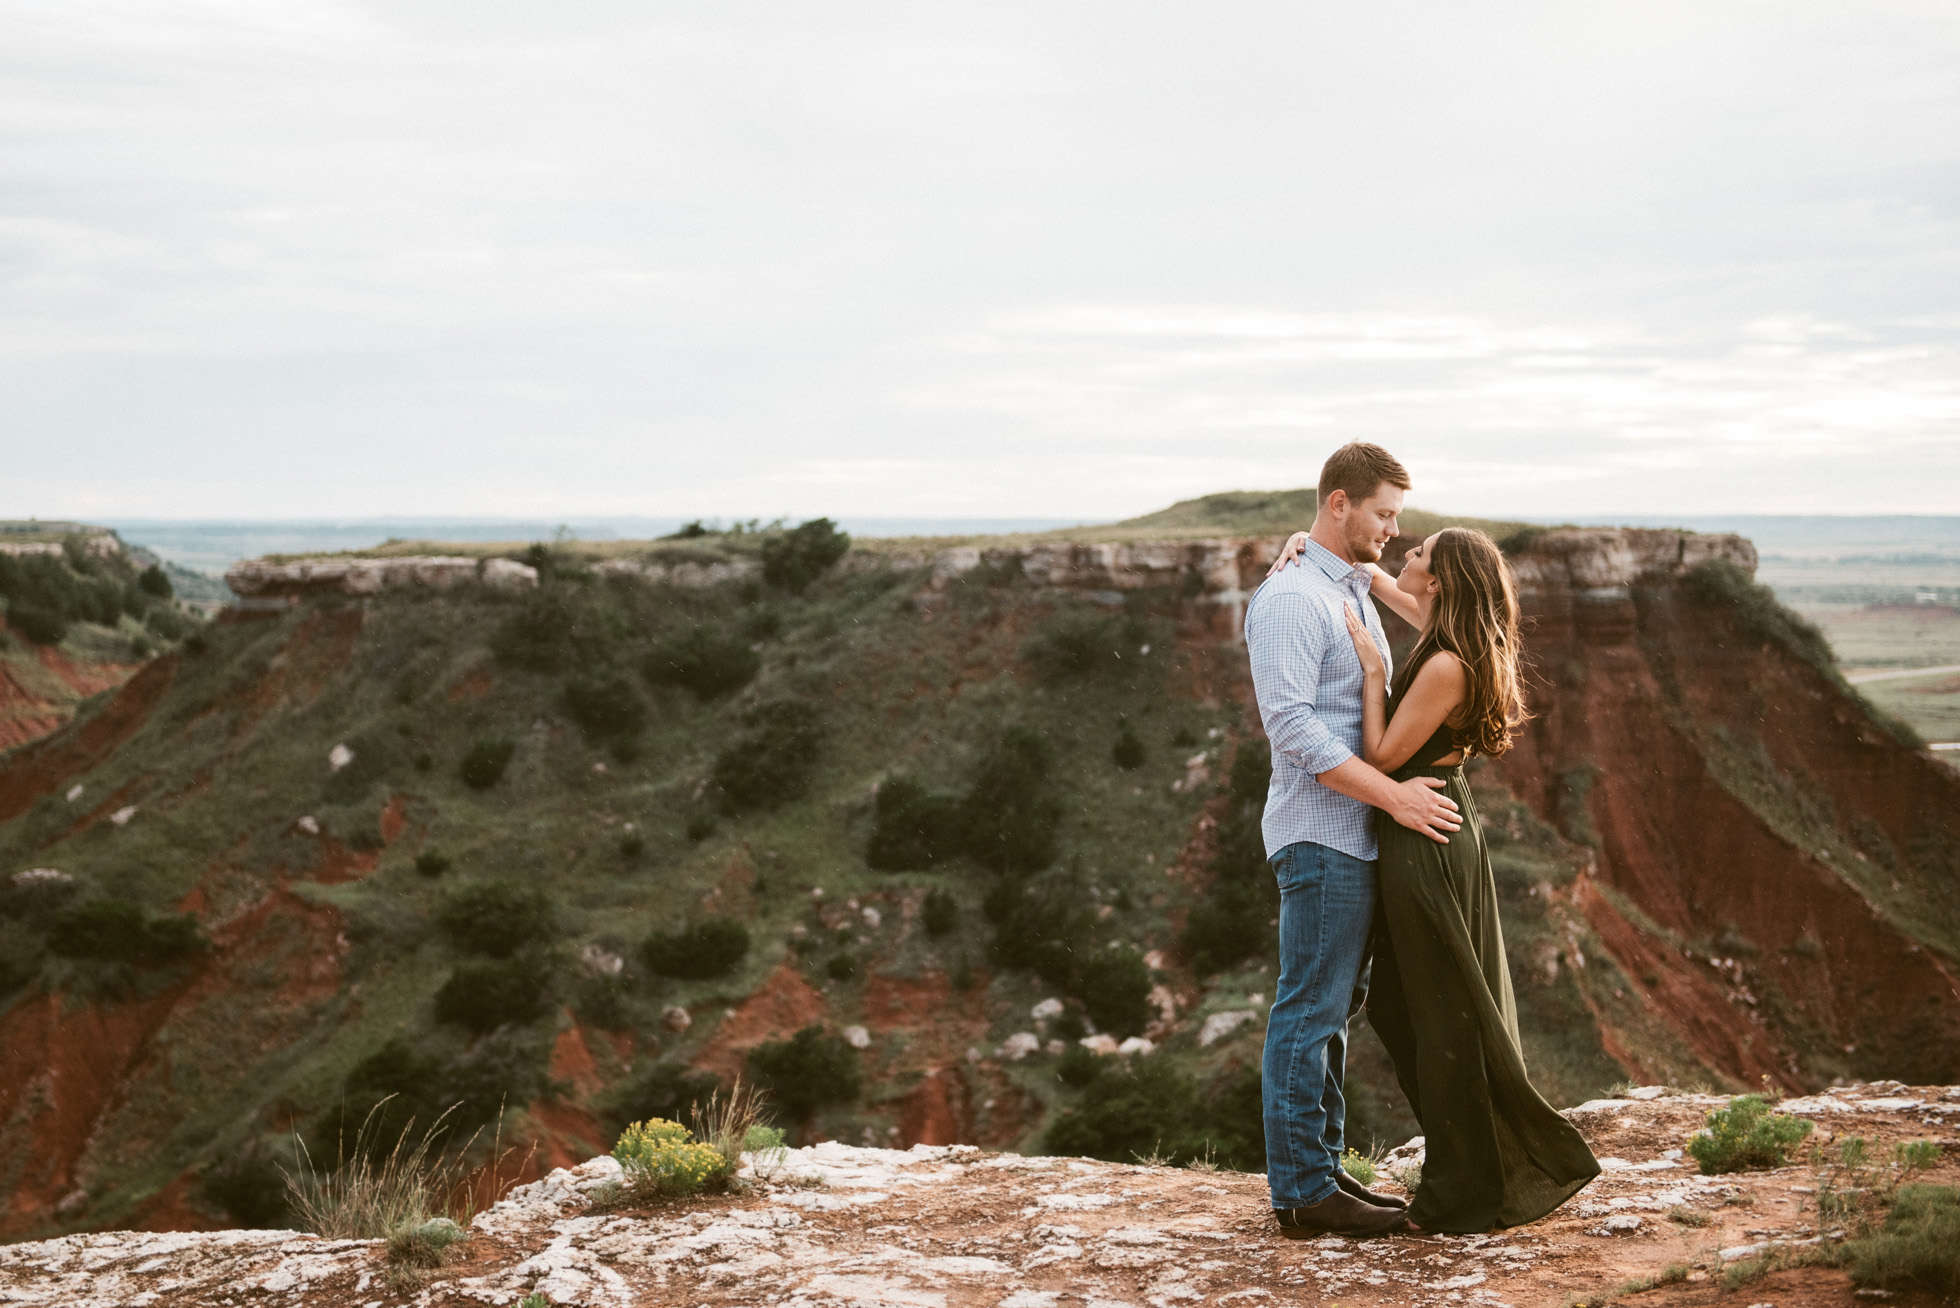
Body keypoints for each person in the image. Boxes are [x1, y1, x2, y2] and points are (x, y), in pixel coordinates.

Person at [1276, 522, 1601, 1233]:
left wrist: (1370, 670)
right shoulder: (1457, 632)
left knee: (1439, 1007)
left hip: (1421, 833)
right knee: (1420, 1002)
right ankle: (1468, 1170)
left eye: (1419, 554)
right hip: (1439, 825)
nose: (1406, 556)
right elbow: (1375, 582)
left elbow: (1386, 756)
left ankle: (1467, 1187)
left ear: (1442, 580)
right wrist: (1308, 540)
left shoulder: (1448, 662)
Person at [1243, 442, 1464, 1239]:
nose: (1395, 530)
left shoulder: (1342, 585)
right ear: (1339, 503)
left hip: (1352, 837)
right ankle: (1302, 1192)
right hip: (1321, 835)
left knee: (1333, 1012)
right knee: (1308, 1011)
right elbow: (1295, 730)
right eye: (1383, 514)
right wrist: (1396, 800)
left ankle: (1322, 1172)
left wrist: (1362, 567)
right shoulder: (1291, 600)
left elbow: (1457, 618)